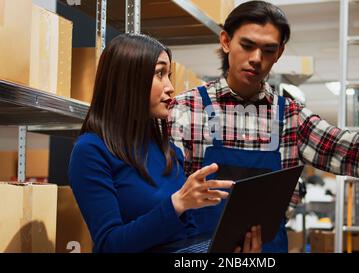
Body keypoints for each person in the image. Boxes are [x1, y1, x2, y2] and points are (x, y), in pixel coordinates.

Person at [168, 0, 359, 253]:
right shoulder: (186, 110)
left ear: (279, 53)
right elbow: (163, 193)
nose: (256, 58)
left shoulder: (290, 116)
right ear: (226, 42)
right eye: (247, 45)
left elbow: (349, 150)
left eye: (268, 50)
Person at [68, 33, 262, 253]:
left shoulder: (166, 150)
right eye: (159, 74)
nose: (170, 87)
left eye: (168, 75)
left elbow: (186, 237)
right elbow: (109, 245)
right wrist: (177, 203)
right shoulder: (91, 151)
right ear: (128, 80)